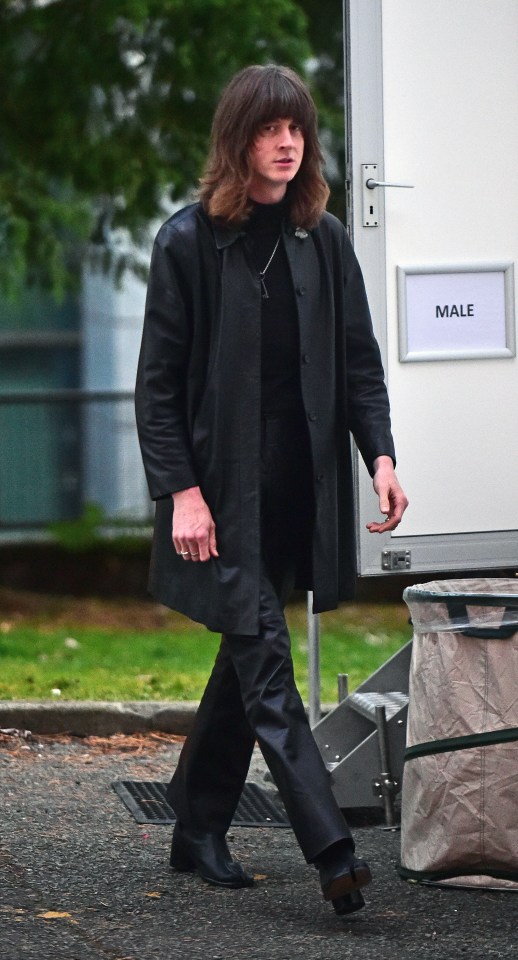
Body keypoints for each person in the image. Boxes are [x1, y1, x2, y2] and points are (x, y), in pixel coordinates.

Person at [135, 64, 408, 916]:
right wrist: (180, 491)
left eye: (296, 129)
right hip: (221, 501)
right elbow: (157, 385)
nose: (286, 143)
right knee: (270, 670)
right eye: (268, 129)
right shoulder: (186, 242)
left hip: (299, 497)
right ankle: (333, 851)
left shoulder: (322, 238)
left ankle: (197, 821)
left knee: (246, 663)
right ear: (237, 140)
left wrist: (382, 457)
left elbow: (359, 361)